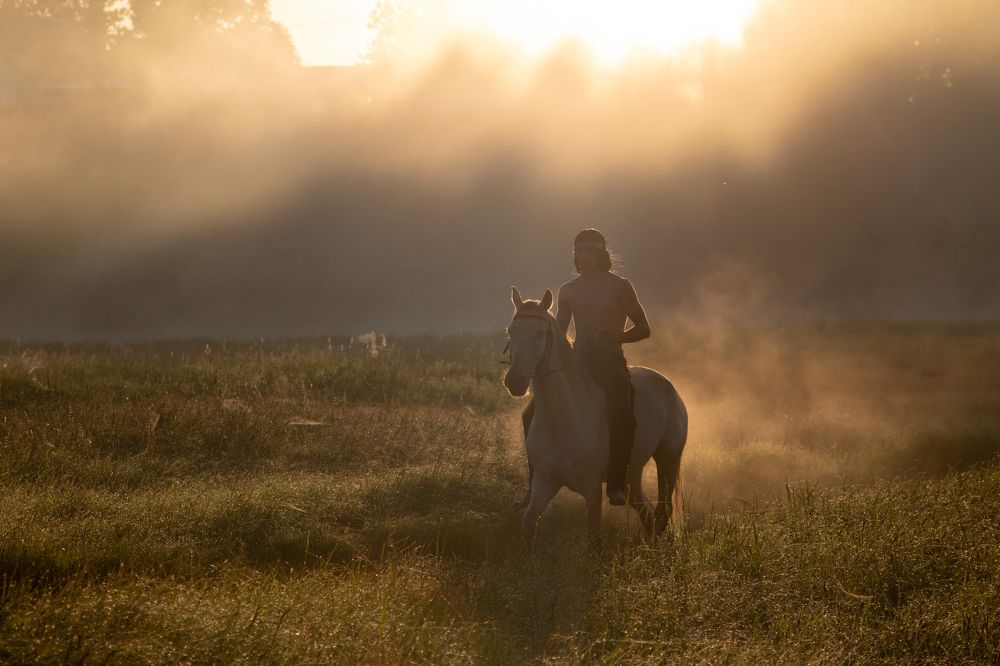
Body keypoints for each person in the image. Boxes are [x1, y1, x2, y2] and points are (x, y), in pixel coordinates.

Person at [516, 228, 651, 507]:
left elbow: (643, 328)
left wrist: (617, 337)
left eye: (590, 251)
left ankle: (616, 482)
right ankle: (533, 486)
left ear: (602, 253)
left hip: (609, 362)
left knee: (621, 413)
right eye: (579, 251)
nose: (584, 256)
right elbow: (561, 330)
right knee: (530, 414)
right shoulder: (568, 290)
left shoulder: (620, 286)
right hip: (578, 363)